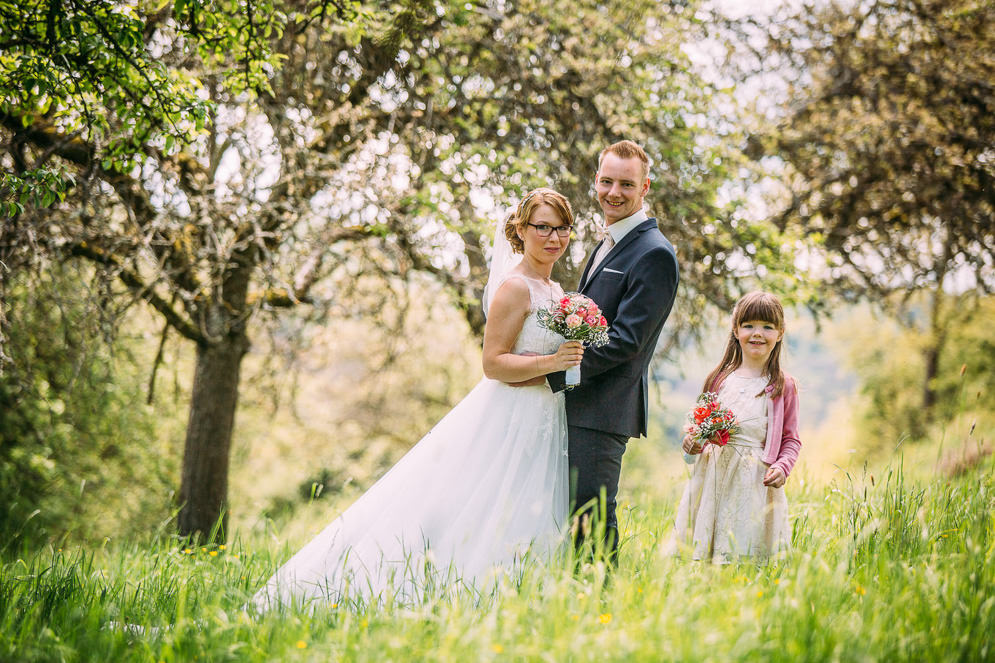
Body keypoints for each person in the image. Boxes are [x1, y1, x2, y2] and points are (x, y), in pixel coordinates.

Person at [251, 188, 584, 610]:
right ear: (521, 229)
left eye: (562, 228)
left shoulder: (555, 290)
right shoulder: (515, 288)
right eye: (543, 227)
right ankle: (457, 593)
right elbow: (493, 364)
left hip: (546, 417)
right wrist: (552, 362)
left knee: (526, 507)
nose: (553, 237)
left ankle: (520, 601)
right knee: (479, 504)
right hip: (510, 416)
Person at [545, 140, 679, 562]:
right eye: (606, 181)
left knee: (592, 515)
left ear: (645, 187)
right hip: (579, 402)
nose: (614, 192)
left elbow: (625, 340)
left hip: (604, 409)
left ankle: (604, 606)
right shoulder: (608, 241)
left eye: (626, 183)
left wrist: (551, 372)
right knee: (574, 515)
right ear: (596, 182)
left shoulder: (654, 253)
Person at [668, 291, 801, 563]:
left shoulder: (781, 385)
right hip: (713, 477)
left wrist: (782, 466)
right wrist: (692, 444)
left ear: (780, 333)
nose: (757, 333)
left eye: (767, 327)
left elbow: (791, 439)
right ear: (736, 329)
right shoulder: (719, 380)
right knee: (706, 552)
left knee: (745, 550)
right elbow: (698, 428)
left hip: (754, 482)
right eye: (749, 325)